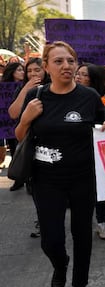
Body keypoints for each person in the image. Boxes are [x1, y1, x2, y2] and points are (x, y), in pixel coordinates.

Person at [14, 41, 105, 287]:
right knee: (51, 240)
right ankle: (60, 265)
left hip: (83, 178)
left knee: (82, 235)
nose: (66, 66)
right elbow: (19, 136)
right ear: (46, 66)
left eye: (71, 61)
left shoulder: (89, 97)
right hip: (46, 180)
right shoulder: (36, 96)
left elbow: (102, 126)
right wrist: (26, 118)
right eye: (58, 61)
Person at [8, 57, 50, 238]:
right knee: (35, 185)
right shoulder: (22, 88)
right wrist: (27, 87)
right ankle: (42, 219)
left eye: (37, 70)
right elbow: (13, 113)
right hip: (29, 143)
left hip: (51, 144)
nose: (33, 74)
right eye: (29, 71)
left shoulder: (52, 88)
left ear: (46, 70)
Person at [74, 63, 105, 241]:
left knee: (100, 187)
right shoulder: (66, 94)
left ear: (92, 79)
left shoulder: (96, 97)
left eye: (83, 74)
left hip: (96, 150)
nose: (78, 77)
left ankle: (102, 220)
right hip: (74, 151)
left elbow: (104, 120)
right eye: (78, 73)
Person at [1, 61, 25, 191]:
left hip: (21, 122)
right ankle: (18, 179)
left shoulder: (26, 86)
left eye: (22, 70)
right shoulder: (3, 87)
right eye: (19, 70)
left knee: (23, 149)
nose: (22, 72)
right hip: (7, 125)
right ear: (12, 72)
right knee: (15, 150)